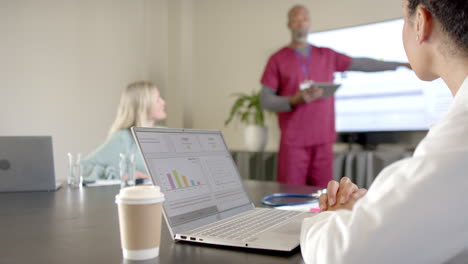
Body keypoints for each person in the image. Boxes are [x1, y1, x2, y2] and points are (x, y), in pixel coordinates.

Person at [300, 0, 468, 263]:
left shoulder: (459, 139)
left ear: (421, 22)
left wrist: (334, 216)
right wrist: (376, 211)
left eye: (404, 18)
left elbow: (342, 254)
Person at [260, 5, 411, 188]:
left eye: (304, 19)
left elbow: (361, 64)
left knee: (325, 198)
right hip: (294, 143)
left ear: (309, 23)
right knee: (290, 196)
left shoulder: (326, 55)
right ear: (289, 24)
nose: (301, 23)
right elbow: (265, 100)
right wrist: (293, 100)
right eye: (296, 19)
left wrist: (399, 64)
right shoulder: (277, 59)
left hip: (323, 140)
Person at [82, 81, 167, 180]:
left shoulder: (164, 133)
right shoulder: (124, 138)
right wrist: (121, 175)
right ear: (143, 105)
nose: (163, 102)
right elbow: (83, 167)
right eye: (157, 99)